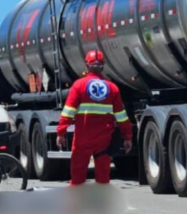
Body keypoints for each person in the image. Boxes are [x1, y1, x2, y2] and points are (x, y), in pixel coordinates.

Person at [56, 49, 132, 186]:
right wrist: (127, 137)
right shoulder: (112, 88)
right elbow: (121, 116)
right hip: (103, 140)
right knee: (103, 179)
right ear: (103, 66)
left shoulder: (79, 86)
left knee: (77, 179)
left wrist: (61, 132)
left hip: (82, 139)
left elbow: (68, 112)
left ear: (86, 65)